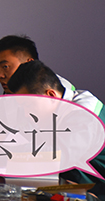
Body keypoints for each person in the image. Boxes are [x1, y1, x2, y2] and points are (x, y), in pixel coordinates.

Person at [8, 60, 105, 200]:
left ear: (51, 95)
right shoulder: (51, 112)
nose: (25, 113)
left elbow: (56, 157)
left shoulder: (84, 114)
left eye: (28, 105)